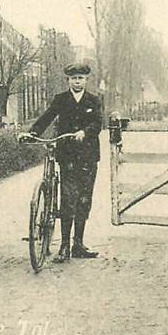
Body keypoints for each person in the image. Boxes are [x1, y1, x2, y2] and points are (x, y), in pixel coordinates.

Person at [21, 62, 103, 262]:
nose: (77, 81)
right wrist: (32, 133)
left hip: (88, 156)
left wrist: (85, 132)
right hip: (67, 155)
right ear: (68, 80)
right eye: (73, 78)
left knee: (84, 200)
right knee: (68, 200)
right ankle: (64, 246)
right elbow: (47, 117)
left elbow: (98, 123)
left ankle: (78, 244)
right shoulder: (61, 100)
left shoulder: (94, 100)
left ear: (86, 80)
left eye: (81, 78)